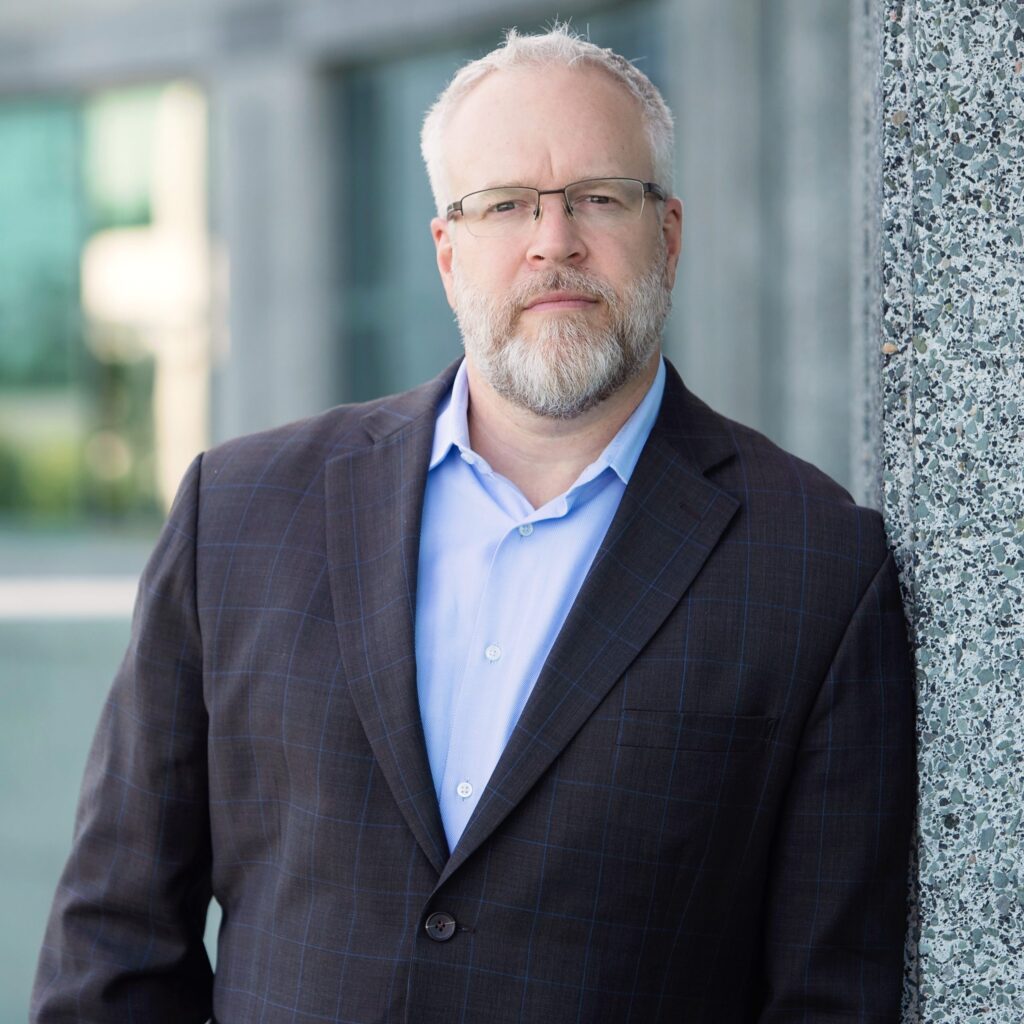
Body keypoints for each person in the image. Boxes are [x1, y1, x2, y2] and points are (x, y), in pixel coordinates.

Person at [32, 25, 915, 1024]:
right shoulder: (237, 512)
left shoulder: (815, 567)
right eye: (505, 205)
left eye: (597, 196)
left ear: (667, 234)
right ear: (447, 252)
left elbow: (829, 997)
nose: (554, 241)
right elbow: (114, 942)